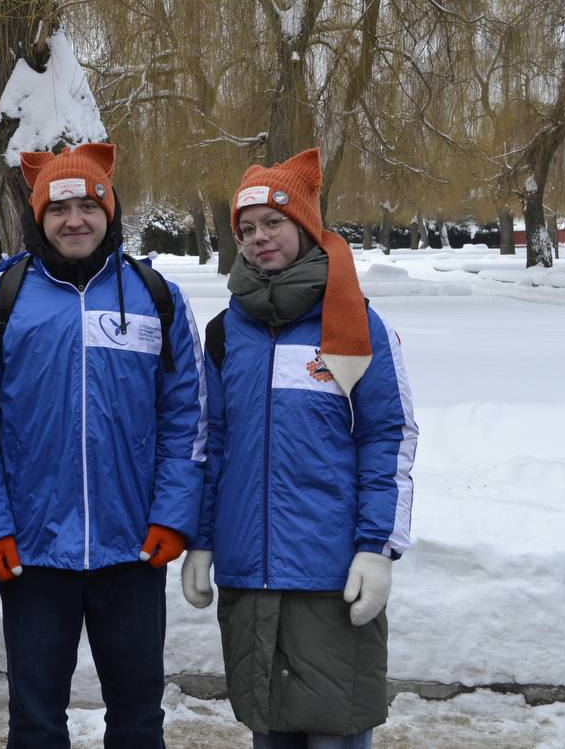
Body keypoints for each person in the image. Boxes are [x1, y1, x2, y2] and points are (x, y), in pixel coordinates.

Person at [0, 143, 208, 747]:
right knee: (36, 719)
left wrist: (173, 515)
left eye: (88, 205)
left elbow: (186, 417)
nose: (74, 220)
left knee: (139, 715)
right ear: (39, 216)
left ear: (109, 212)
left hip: (133, 549)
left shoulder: (157, 297)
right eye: (59, 207)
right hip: (33, 553)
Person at [181, 148, 419, 749]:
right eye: (247, 228)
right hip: (249, 577)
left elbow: (387, 438)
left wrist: (376, 549)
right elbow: (216, 446)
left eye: (274, 223)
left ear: (306, 226)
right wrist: (204, 541)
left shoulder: (354, 323)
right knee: (271, 736)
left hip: (330, 577)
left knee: (335, 736)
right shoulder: (225, 331)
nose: (259, 239)